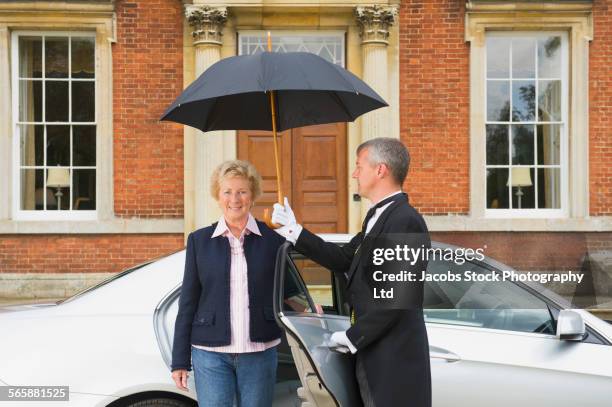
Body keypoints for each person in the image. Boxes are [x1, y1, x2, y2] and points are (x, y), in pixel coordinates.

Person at [272, 137, 432, 407]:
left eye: (359, 165)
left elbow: (398, 300)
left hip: (394, 361)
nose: (354, 173)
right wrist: (294, 231)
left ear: (380, 170)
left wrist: (352, 336)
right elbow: (343, 258)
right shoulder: (376, 217)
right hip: (374, 356)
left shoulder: (405, 220)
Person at [170, 160, 285, 407]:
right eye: (228, 192)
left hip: (259, 352)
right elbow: (188, 302)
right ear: (218, 195)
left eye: (242, 191)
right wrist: (180, 360)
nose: (235, 198)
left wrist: (307, 309)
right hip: (210, 355)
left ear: (252, 195)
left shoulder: (274, 239)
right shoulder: (199, 241)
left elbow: (286, 290)